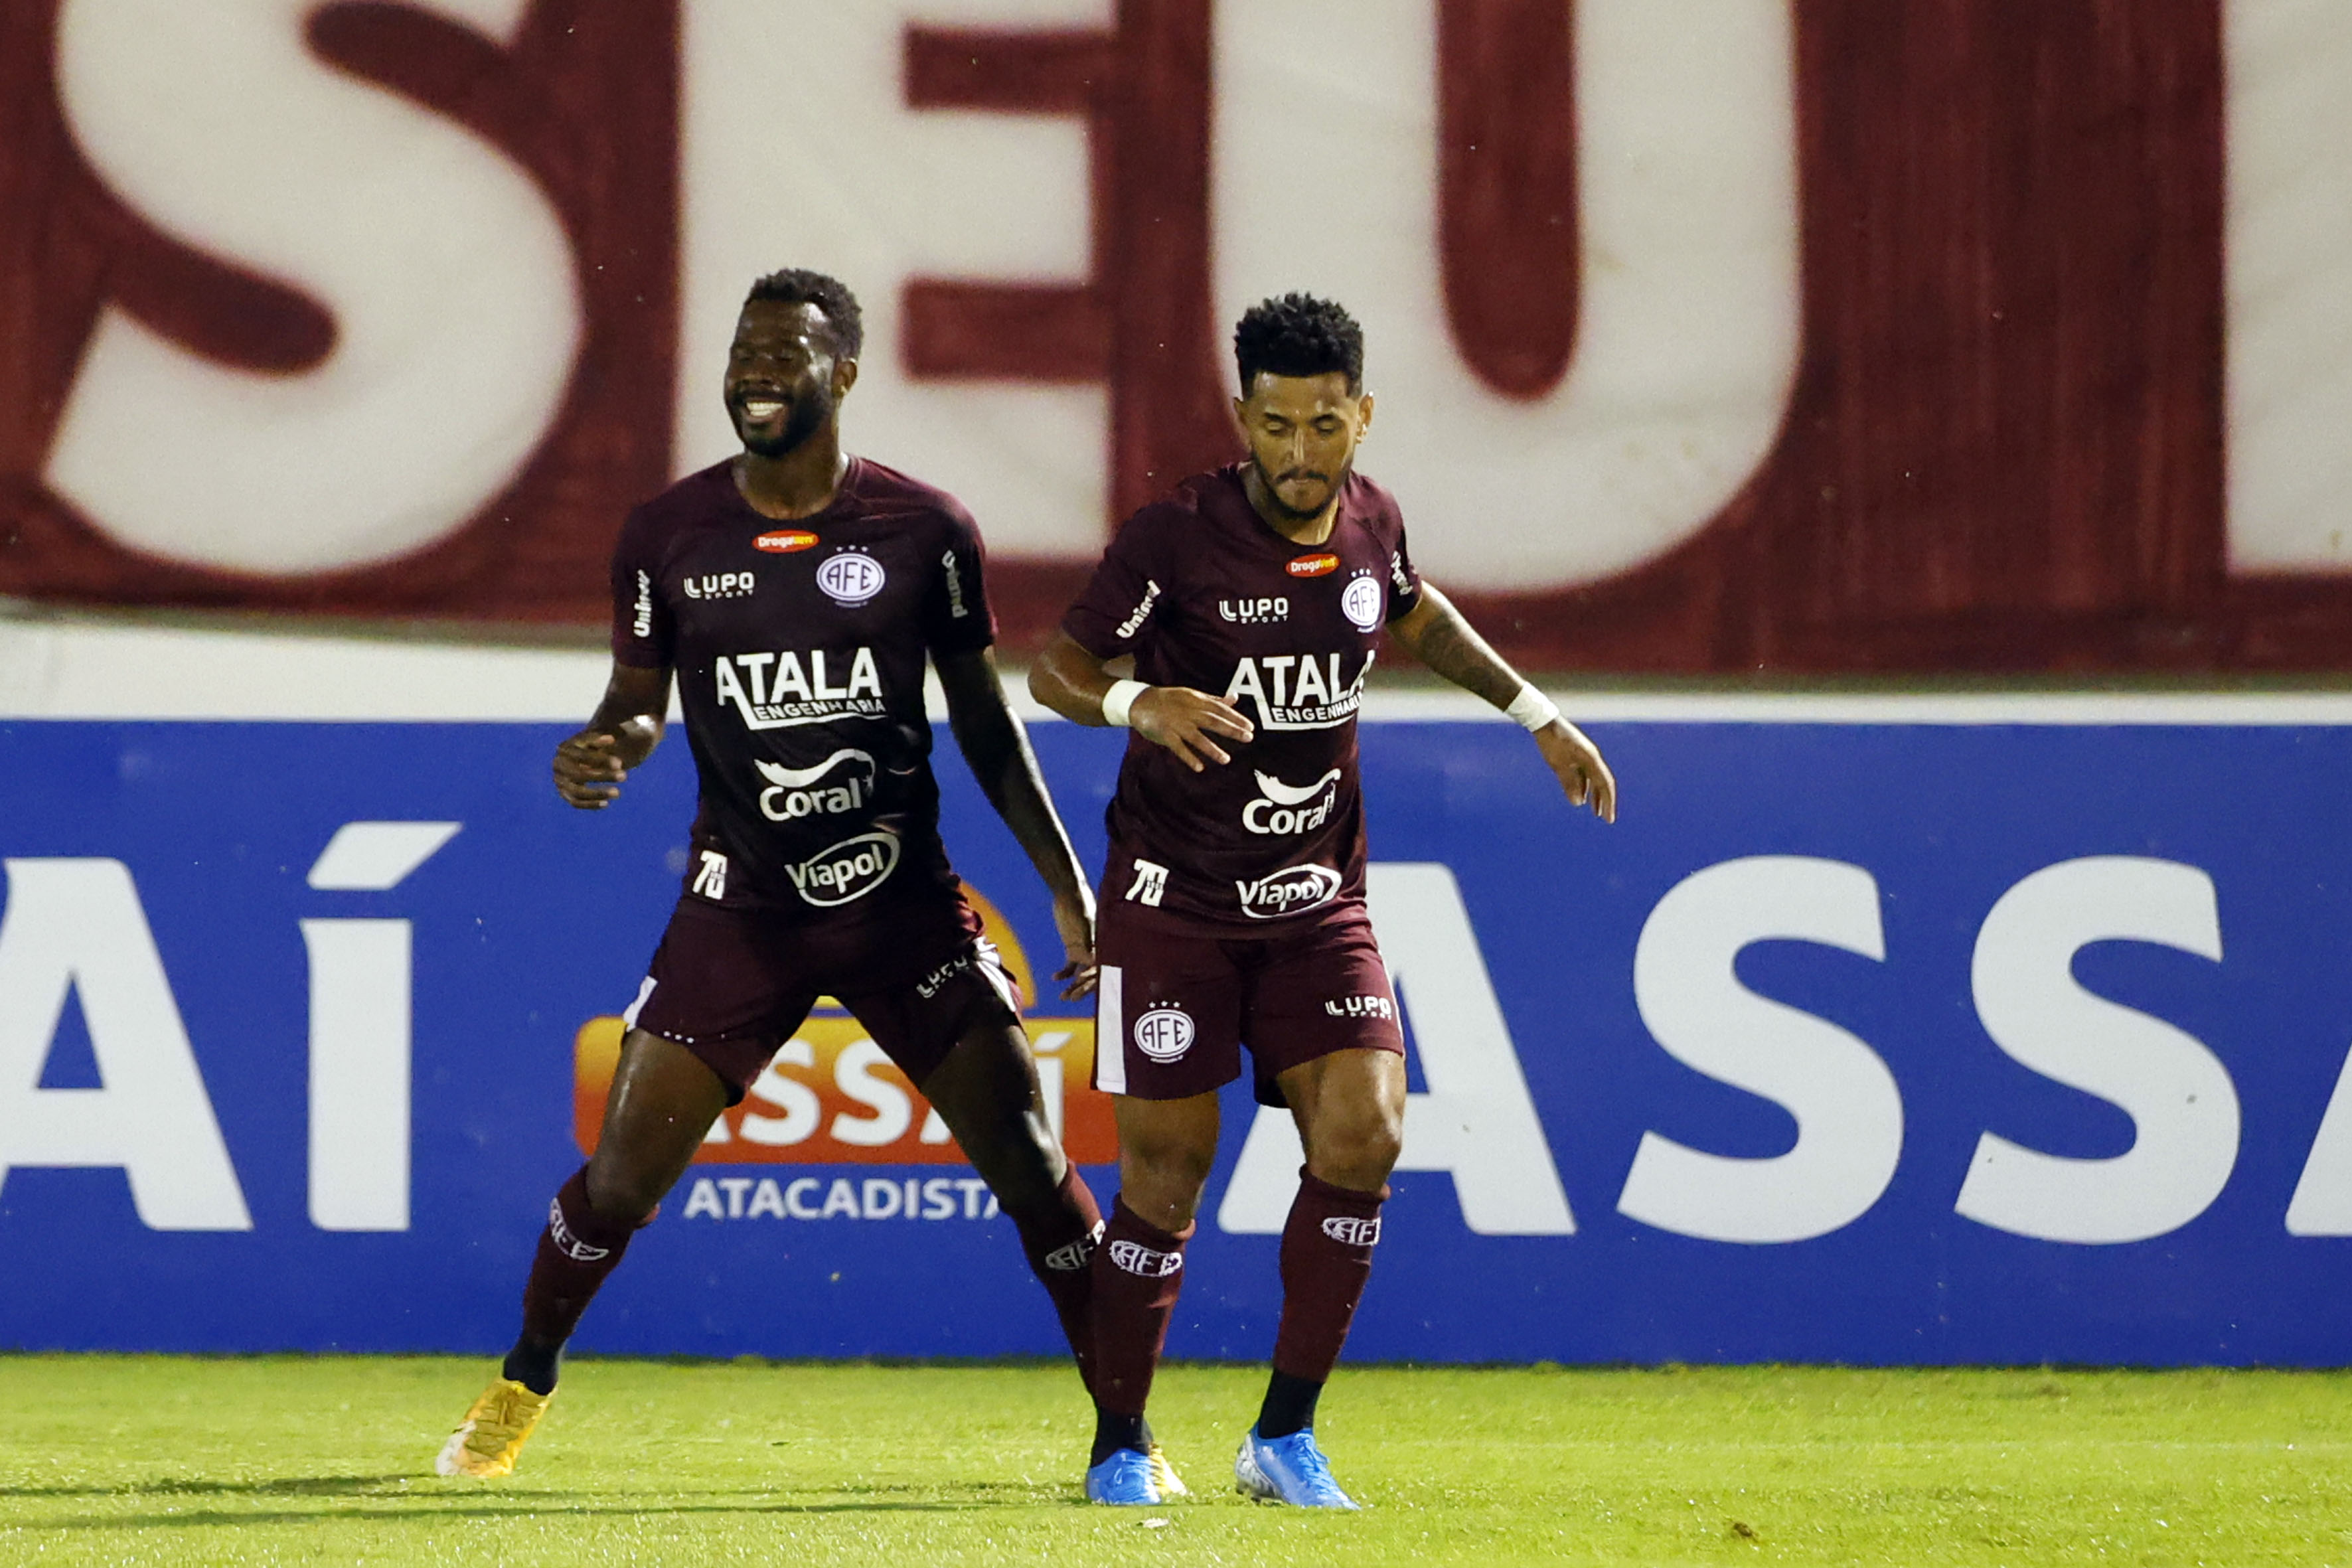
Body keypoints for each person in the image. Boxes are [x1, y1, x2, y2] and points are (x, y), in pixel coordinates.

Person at [435, 268, 1172, 1488]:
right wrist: (606, 748)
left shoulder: (925, 530)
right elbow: (634, 705)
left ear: (844, 373)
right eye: (743, 354)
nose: (757, 374)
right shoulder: (666, 535)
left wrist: (1064, 886)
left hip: (902, 908)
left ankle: (1125, 1438)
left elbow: (985, 726)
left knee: (1036, 1167)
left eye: (786, 355)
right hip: (744, 913)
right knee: (619, 1178)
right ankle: (524, 1377)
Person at [1029, 293, 1617, 1508]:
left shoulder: (1372, 521)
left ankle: (1283, 1436)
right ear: (1243, 416)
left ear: (1364, 417)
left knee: (1368, 1132)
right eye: (1278, 426)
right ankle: (1122, 1443)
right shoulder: (1175, 538)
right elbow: (1056, 668)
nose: (1301, 454)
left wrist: (1536, 714)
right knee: (1166, 1176)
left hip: (1313, 899)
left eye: (1326, 426)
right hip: (1173, 900)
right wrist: (1140, 704)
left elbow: (1410, 607)